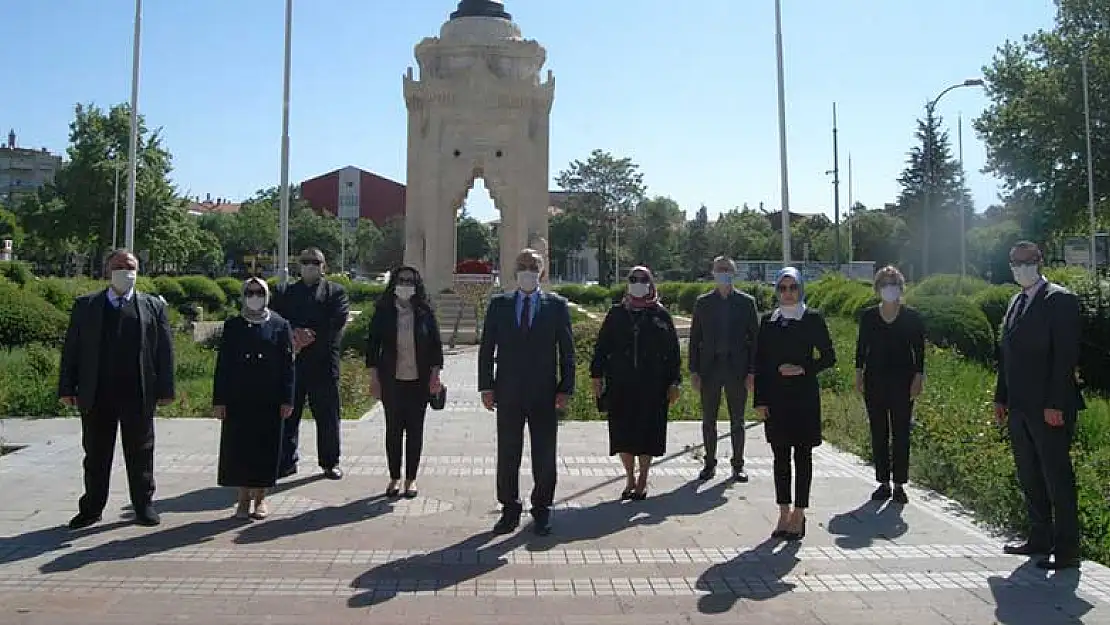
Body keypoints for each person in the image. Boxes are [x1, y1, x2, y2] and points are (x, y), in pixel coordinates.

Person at [58, 249, 175, 529]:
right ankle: (91, 508)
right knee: (96, 454)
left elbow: (164, 351)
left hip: (138, 391)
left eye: (131, 266)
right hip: (97, 392)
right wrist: (67, 387)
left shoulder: (152, 306)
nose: (126, 271)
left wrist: (166, 388)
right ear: (107, 270)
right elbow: (72, 349)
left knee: (141, 452)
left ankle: (144, 505)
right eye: (119, 266)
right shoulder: (86, 305)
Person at [995, 241, 1084, 570]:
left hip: (1049, 407)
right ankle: (1039, 537)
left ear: (1039, 261)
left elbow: (1065, 356)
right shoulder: (1016, 301)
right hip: (1019, 406)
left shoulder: (1058, 299)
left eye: (1026, 261)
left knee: (1056, 476)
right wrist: (1000, 396)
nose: (1020, 268)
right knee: (1029, 474)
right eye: (1015, 262)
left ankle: (1067, 549)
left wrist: (1055, 402)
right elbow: (1007, 353)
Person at [478, 248, 574, 536]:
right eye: (522, 265)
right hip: (508, 391)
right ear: (514, 270)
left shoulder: (556, 306)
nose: (528, 270)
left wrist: (566, 388)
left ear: (542, 271)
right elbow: (486, 350)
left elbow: (567, 352)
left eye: (533, 265)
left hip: (545, 392)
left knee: (544, 453)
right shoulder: (499, 305)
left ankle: (542, 509)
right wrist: (486, 385)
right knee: (508, 452)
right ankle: (509, 509)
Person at [752, 267, 835, 542]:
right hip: (776, 400)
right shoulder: (768, 321)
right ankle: (783, 512)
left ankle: (799, 514)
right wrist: (760, 400)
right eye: (783, 288)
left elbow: (829, 357)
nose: (788, 293)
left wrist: (803, 368)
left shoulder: (811, 319)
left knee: (802, 457)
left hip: (804, 399)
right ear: (777, 291)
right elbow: (760, 363)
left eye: (793, 287)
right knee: (780, 459)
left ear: (801, 289)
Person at [590, 266, 681, 500]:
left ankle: (643, 478)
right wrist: (596, 376)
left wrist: (675, 382)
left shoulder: (661, 315)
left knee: (648, 433)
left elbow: (673, 352)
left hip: (653, 386)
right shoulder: (617, 313)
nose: (637, 283)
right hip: (621, 384)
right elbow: (602, 347)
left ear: (650, 284)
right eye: (633, 279)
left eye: (642, 279)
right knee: (623, 433)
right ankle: (629, 477)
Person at [212, 278, 295, 520]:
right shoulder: (233, 325)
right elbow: (223, 365)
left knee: (265, 450)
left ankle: (260, 498)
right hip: (239, 398)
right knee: (239, 449)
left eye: (259, 292)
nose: (255, 296)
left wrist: (287, 399)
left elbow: (288, 366)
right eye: (250, 292)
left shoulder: (280, 324)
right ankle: (242, 499)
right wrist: (219, 400)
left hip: (269, 399)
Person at [270, 247, 351, 480]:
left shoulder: (335, 292)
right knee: (287, 414)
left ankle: (330, 462)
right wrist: (293, 333)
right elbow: (276, 318)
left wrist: (309, 335)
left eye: (315, 262)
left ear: (324, 266)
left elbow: (336, 321)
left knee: (327, 416)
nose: (310, 266)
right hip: (292, 363)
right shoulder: (285, 292)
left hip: (323, 364)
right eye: (305, 262)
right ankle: (285, 461)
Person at [366, 265, 444, 499]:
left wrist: (435, 376)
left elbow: (436, 348)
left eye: (410, 281)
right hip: (392, 380)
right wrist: (374, 379)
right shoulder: (383, 311)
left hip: (418, 382)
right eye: (401, 280)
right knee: (393, 430)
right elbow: (372, 347)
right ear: (394, 282)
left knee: (415, 431)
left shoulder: (424, 311)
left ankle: (411, 479)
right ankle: (394, 478)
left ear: (416, 284)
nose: (405, 284)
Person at [854, 265, 926, 504]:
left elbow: (919, 351)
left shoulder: (911, 317)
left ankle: (899, 484)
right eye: (885, 284)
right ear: (877, 288)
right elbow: (861, 348)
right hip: (875, 380)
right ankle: (883, 482)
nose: (889, 288)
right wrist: (858, 374)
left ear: (901, 287)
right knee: (879, 431)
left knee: (901, 432)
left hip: (903, 382)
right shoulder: (869, 317)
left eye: (893, 283)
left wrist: (919, 377)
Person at [688, 255, 759, 482]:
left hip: (736, 369)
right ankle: (709, 463)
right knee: (709, 419)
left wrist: (752, 372)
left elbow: (755, 340)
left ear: (734, 273)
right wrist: (694, 371)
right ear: (713, 272)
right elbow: (694, 338)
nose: (723, 273)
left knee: (737, 420)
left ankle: (738, 465)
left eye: (727, 269)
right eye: (720, 269)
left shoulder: (746, 302)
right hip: (710, 368)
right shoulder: (703, 303)